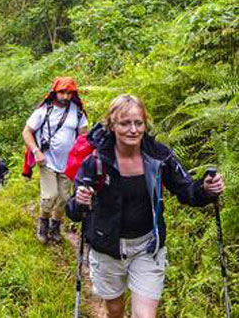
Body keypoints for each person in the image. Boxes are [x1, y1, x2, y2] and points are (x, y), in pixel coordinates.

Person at [66, 94, 225, 318]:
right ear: (112, 126)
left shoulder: (159, 157)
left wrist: (206, 189)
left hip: (147, 247)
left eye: (138, 123)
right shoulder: (96, 161)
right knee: (114, 310)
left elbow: (186, 191)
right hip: (108, 249)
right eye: (125, 123)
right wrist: (81, 202)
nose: (133, 130)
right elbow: (72, 210)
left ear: (145, 124)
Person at [22, 77, 87, 244]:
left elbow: (83, 136)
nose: (65, 96)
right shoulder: (44, 110)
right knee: (50, 196)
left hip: (68, 164)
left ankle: (55, 225)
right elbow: (27, 132)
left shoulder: (78, 112)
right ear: (55, 92)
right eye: (62, 92)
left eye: (69, 93)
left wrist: (81, 158)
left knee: (64, 198)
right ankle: (43, 222)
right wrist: (36, 151)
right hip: (47, 161)